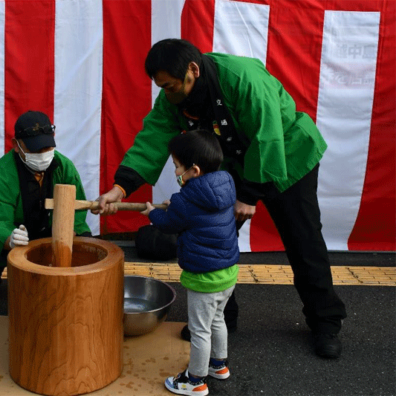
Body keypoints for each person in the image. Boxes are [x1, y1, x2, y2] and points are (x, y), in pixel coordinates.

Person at [95, 38, 346, 359]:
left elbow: (267, 137)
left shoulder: (242, 79)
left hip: (288, 155)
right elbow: (153, 137)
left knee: (303, 240)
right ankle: (222, 318)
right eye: (162, 87)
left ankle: (325, 322)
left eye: (171, 86)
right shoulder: (171, 96)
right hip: (234, 163)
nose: (167, 94)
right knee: (211, 236)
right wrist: (121, 187)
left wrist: (249, 197)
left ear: (193, 69)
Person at [141, 129, 238, 396]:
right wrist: (176, 204)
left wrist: (152, 213)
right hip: (228, 272)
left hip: (205, 278)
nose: (175, 173)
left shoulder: (186, 199)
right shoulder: (225, 183)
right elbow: (191, 212)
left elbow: (170, 223)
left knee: (199, 330)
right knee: (218, 319)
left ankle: (195, 380)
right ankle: (219, 365)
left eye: (176, 167)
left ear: (194, 170)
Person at [0, 110, 91, 314]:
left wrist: (70, 233)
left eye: (48, 146)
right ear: (17, 145)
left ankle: (73, 286)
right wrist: (10, 239)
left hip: (51, 228)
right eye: (35, 149)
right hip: (18, 232)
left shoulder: (63, 165)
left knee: (85, 242)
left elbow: (76, 204)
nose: (43, 153)